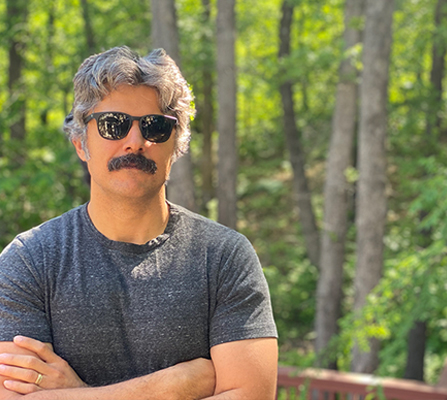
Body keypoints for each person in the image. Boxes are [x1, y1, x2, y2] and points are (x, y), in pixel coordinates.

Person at [0, 46, 278, 399]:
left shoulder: (223, 257)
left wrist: (74, 394)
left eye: (156, 127)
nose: (135, 142)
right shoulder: (30, 260)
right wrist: (176, 384)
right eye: (113, 125)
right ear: (80, 143)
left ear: (176, 144)